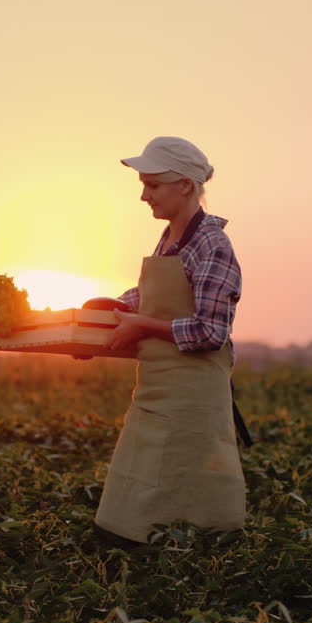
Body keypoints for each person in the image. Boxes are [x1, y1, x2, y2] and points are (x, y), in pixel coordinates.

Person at [93, 136, 246, 545]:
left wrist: (141, 325)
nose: (144, 196)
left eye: (153, 185)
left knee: (189, 498)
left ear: (185, 185)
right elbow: (149, 300)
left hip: (193, 397)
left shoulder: (212, 245)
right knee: (138, 481)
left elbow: (211, 332)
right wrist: (92, 322)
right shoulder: (171, 239)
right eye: (142, 185)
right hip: (158, 388)